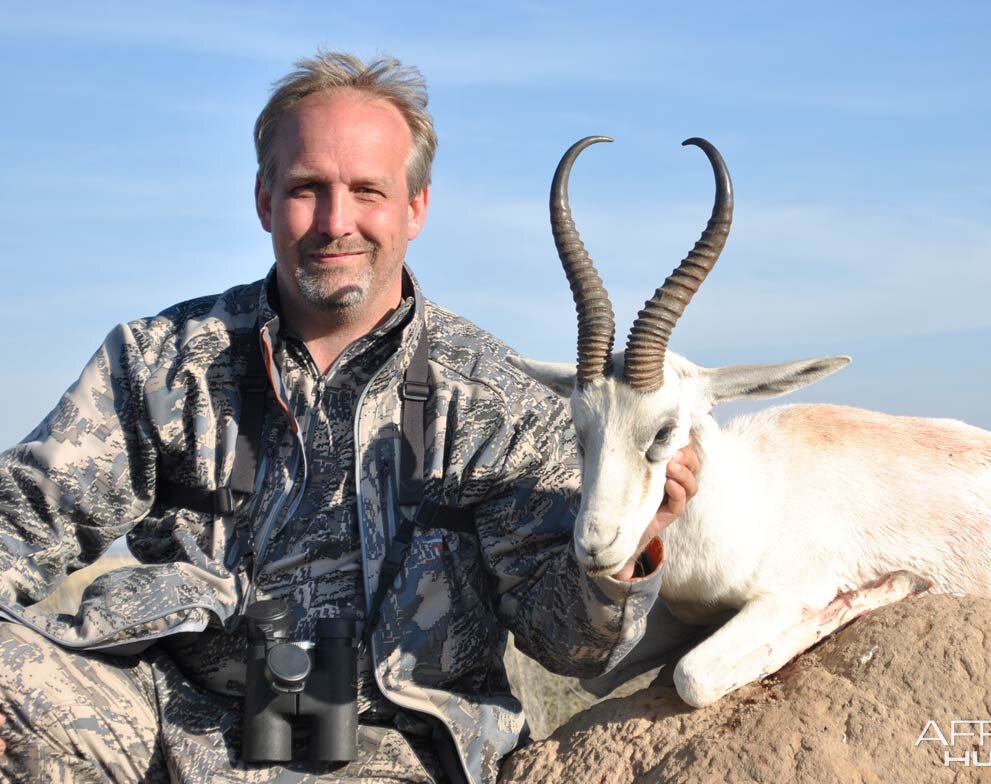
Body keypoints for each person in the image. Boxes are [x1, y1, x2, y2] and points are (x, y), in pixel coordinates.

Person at [0, 52, 697, 784]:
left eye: (368, 191)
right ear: (264, 199)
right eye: (307, 189)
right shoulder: (161, 363)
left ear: (415, 208)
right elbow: (21, 515)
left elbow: (571, 643)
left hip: (391, 752)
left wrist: (631, 540)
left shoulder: (499, 400)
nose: (336, 223)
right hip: (164, 729)